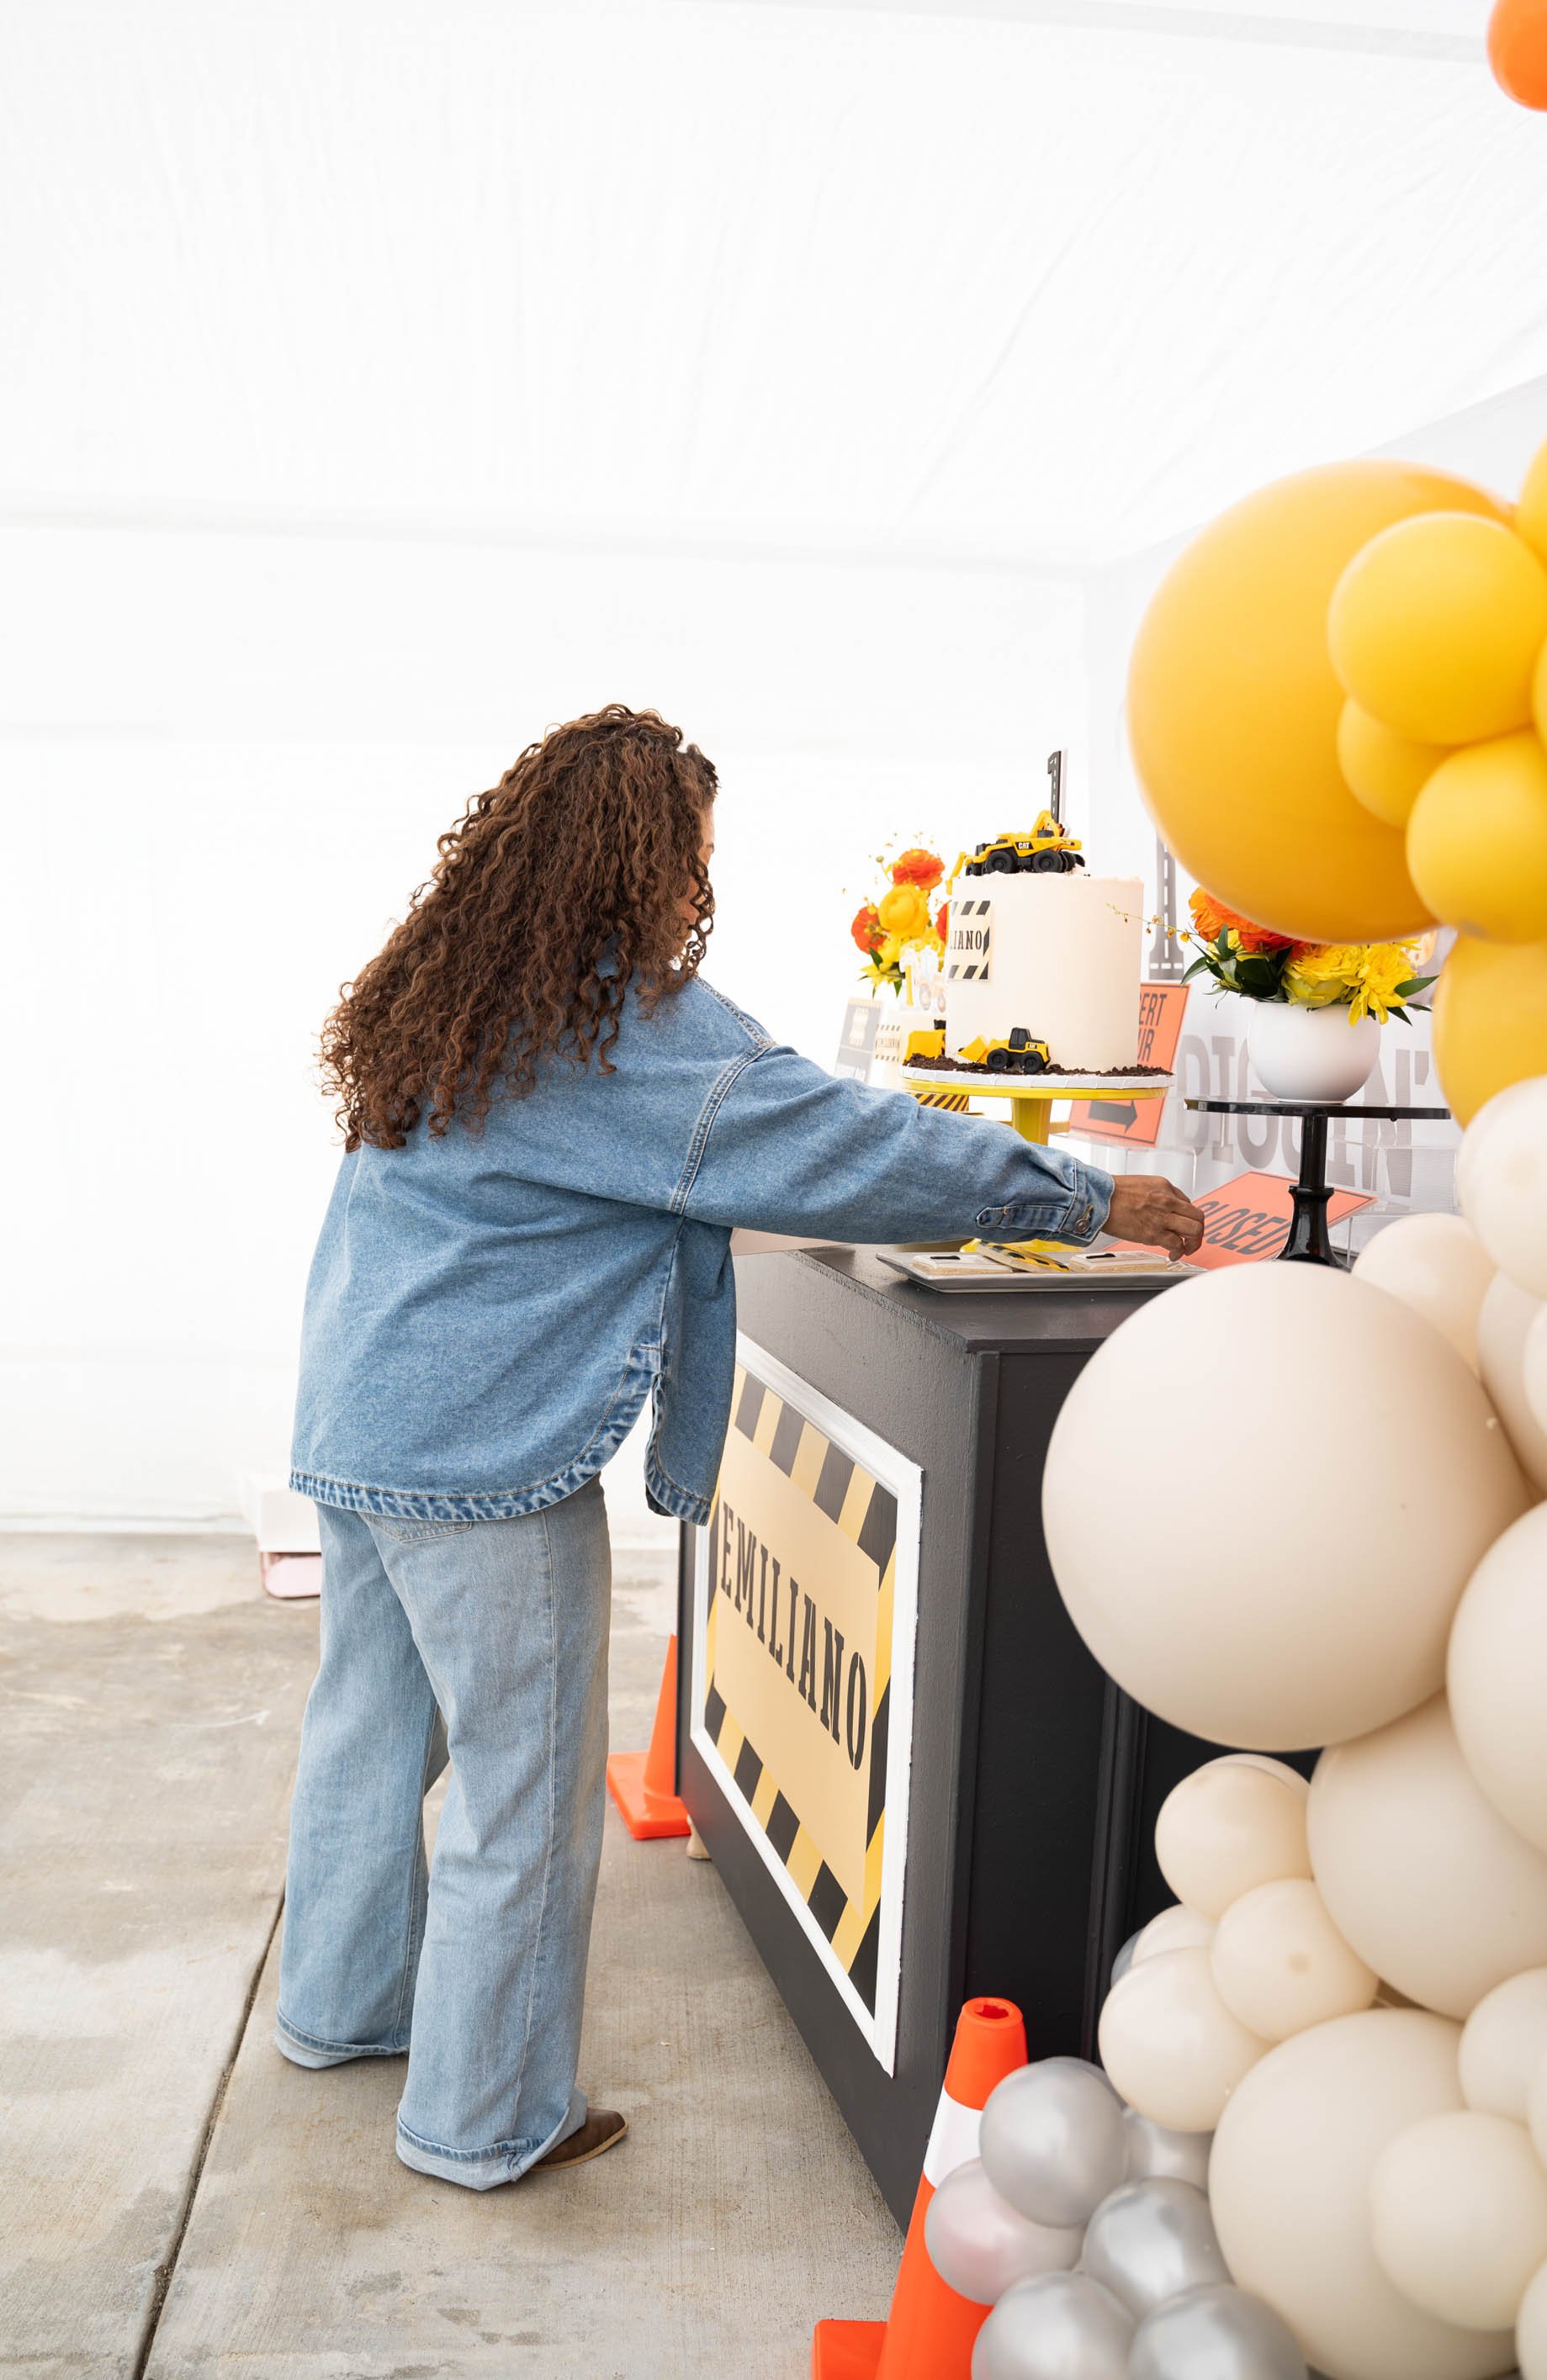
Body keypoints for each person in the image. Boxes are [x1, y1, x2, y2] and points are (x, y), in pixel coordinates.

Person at [275, 703, 1204, 2191]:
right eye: (693, 854)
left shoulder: (449, 991)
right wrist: (1084, 1200)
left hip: (356, 1419)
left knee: (371, 1733)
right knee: (527, 1776)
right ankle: (485, 2115)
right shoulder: (630, 1038)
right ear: (637, 864)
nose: (703, 881)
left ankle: (338, 2009)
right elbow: (856, 1147)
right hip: (479, 1458)